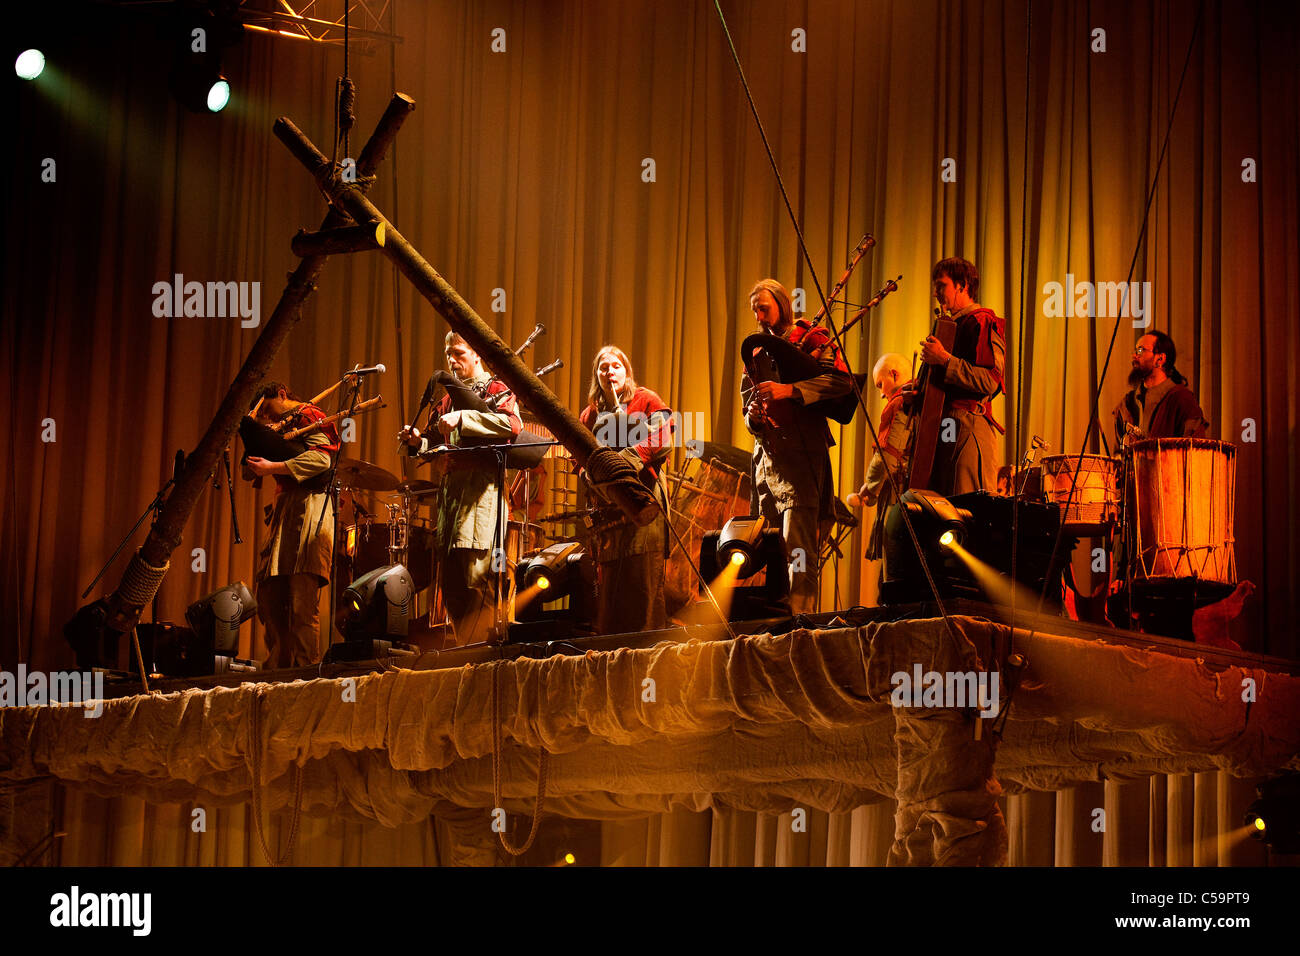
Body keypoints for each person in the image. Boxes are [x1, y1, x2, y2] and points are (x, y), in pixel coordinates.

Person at [401, 332, 521, 644]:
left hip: (481, 497)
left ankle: (487, 655)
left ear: (477, 353)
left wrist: (464, 418)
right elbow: (437, 444)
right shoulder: (445, 400)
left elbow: (511, 426)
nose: (452, 361)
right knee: (452, 583)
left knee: (477, 580)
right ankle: (467, 652)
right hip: (451, 500)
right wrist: (419, 441)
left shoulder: (497, 388)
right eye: (448, 355)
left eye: (458, 353)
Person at [741, 278, 852, 614]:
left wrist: (790, 391)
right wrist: (753, 415)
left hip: (802, 457)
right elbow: (747, 407)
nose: (759, 316)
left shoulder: (810, 338)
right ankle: (776, 620)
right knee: (770, 544)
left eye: (764, 308)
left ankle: (802, 620)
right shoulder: (756, 354)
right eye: (755, 311)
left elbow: (842, 382)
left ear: (781, 304)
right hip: (768, 462)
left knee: (799, 544)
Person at [578, 345, 674, 634]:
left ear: (626, 371)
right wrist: (591, 476)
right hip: (609, 517)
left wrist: (623, 462)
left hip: (644, 505)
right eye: (603, 367)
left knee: (643, 593)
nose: (610, 371)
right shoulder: (589, 415)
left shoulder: (646, 400)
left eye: (616, 366)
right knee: (611, 603)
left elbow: (663, 439)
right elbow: (580, 459)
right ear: (597, 375)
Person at [244, 382, 339, 668]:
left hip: (310, 506)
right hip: (284, 508)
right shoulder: (281, 426)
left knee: (301, 598)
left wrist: (272, 467)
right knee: (269, 596)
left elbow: (321, 459)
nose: (267, 418)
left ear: (283, 395)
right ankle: (278, 667)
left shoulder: (309, 416)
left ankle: (306, 671)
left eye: (268, 409)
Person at [919, 257, 1006, 496]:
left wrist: (945, 360)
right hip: (947, 426)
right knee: (943, 506)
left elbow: (989, 381)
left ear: (962, 285)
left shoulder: (982, 321)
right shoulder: (947, 326)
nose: (936, 293)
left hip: (969, 425)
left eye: (941, 285)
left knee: (966, 507)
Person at [851, 352, 915, 561]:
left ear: (894, 374)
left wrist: (869, 487)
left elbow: (889, 454)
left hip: (900, 494)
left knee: (894, 568)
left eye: (880, 384)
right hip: (917, 494)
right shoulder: (921, 398)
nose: (880, 394)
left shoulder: (900, 404)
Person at [1112, 330, 1209, 445]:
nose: (1135, 355)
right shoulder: (1127, 404)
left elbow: (1195, 451)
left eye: (1141, 350)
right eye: (1135, 350)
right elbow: (1118, 454)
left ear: (1160, 359)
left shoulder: (1182, 399)